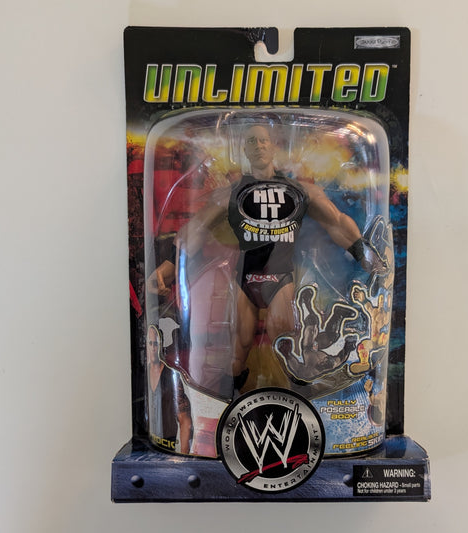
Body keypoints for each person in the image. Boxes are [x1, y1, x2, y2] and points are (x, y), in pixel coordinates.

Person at [148, 124, 384, 393]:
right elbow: (196, 230)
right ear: (245, 150)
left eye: (263, 141)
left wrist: (364, 254)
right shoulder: (231, 193)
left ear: (273, 147)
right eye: (252, 141)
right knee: (236, 355)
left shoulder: (299, 190)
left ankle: (301, 401)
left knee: (289, 348)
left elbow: (336, 222)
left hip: (281, 279)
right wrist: (167, 270)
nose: (259, 146)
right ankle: (229, 403)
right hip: (245, 279)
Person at [146, 325, 193, 454]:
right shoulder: (143, 374)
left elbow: (185, 420)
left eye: (156, 343)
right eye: (150, 343)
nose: (153, 348)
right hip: (147, 444)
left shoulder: (171, 375)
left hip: (167, 445)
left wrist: (184, 456)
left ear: (161, 346)